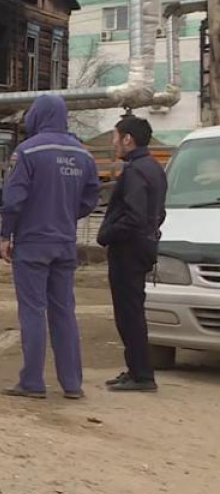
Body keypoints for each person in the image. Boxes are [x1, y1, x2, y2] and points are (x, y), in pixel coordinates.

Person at [0, 95, 100, 400]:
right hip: (65, 243)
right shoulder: (83, 155)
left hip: (32, 243)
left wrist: (6, 235)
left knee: (32, 311)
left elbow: (14, 200)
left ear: (37, 115)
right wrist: (67, 214)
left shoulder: (27, 151)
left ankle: (32, 381)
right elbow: (91, 196)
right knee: (64, 312)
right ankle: (72, 384)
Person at [97, 115, 167, 393]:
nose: (113, 142)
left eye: (115, 136)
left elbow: (134, 216)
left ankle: (141, 375)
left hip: (128, 250)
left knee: (129, 314)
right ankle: (137, 369)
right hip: (144, 246)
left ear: (128, 139)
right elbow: (158, 213)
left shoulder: (136, 171)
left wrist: (107, 234)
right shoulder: (154, 168)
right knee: (133, 311)